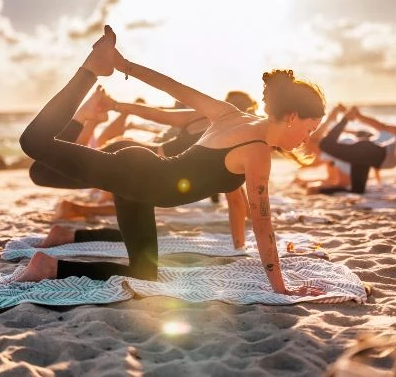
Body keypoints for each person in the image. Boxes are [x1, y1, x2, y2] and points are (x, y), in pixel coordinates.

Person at [18, 25, 326, 295]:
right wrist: (280, 286)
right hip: (138, 175)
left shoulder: (232, 115)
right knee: (34, 142)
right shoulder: (258, 151)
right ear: (292, 117)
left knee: (143, 273)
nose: (306, 138)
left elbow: (173, 87)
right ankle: (88, 71)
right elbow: (262, 225)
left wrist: (125, 64)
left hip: (141, 180)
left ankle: (47, 266)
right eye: (308, 128)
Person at [42, 87, 257, 243]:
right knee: (53, 171)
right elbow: (235, 198)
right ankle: (83, 118)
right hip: (136, 163)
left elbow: (156, 114)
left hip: (136, 159)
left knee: (64, 169)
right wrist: (239, 246)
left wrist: (117, 105)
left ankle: (81, 126)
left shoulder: (206, 120)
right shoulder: (228, 136)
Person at [317, 106, 396, 194]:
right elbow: (381, 126)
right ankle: (345, 119)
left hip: (368, 158)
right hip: (369, 151)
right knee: (325, 145)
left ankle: (320, 191)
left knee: (358, 191)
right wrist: (359, 116)